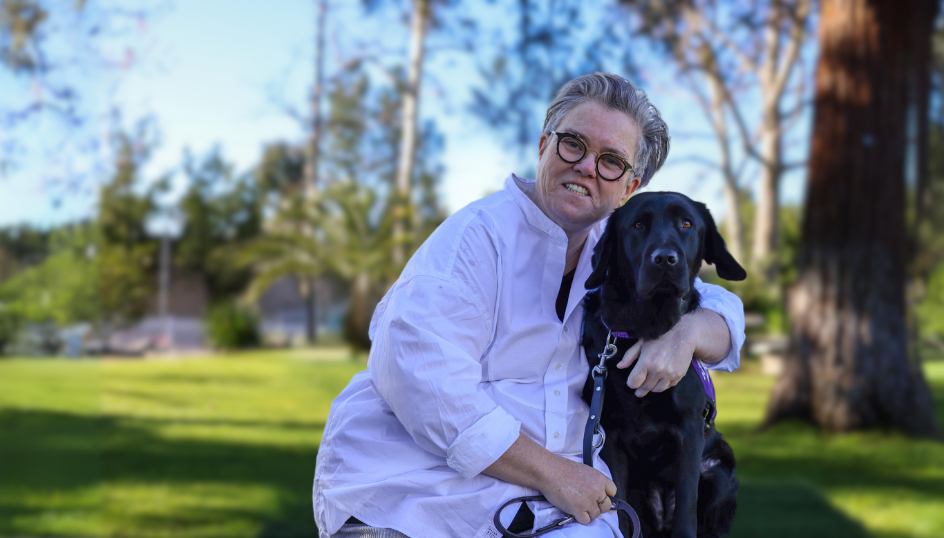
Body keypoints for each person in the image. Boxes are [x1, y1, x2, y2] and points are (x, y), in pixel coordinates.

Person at [312, 73, 745, 538]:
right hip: (409, 501)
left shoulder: (613, 248)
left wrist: (688, 335)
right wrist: (554, 474)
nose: (586, 167)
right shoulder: (471, 243)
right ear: (543, 146)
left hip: (542, 511)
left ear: (629, 186)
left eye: (611, 161)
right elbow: (425, 386)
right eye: (573, 144)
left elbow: (719, 303)